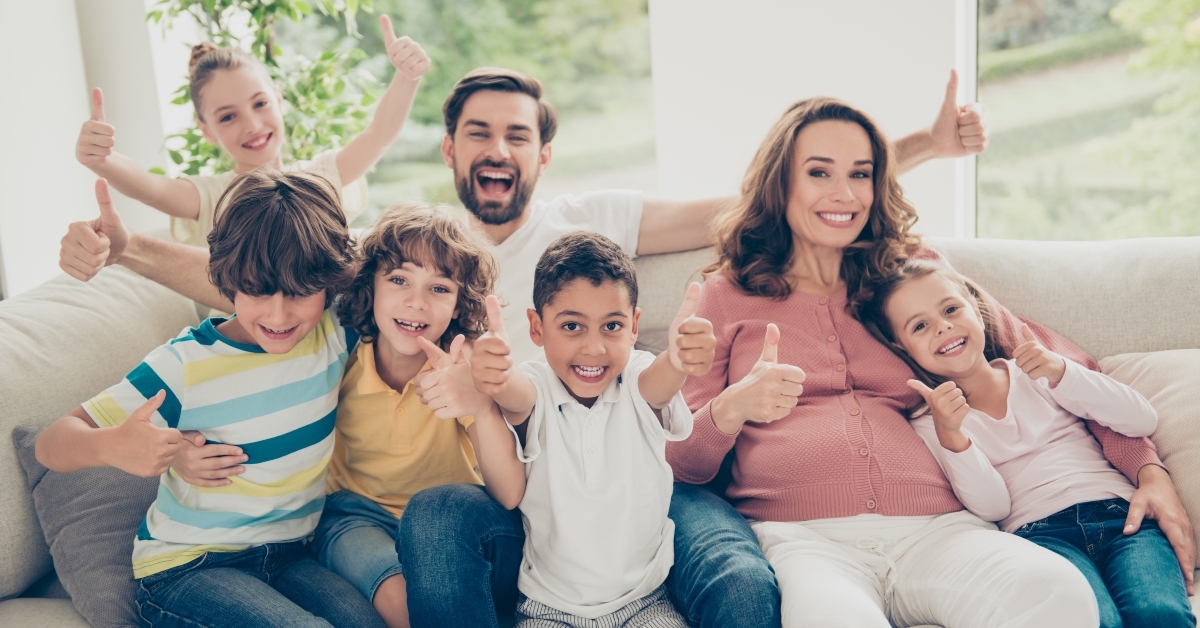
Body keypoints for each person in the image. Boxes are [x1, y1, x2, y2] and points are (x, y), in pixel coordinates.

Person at [55, 66, 996, 627]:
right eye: (476, 135)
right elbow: (268, 287)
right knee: (432, 517)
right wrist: (127, 248)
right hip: (479, 489)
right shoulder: (401, 254)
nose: (497, 149)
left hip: (606, 466)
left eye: (517, 135)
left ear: (545, 154)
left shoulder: (594, 222)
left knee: (736, 583)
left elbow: (761, 203)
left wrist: (915, 147)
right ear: (452, 156)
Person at [665, 96, 1194, 628]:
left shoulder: (913, 273)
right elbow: (684, 464)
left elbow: (1059, 367)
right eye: (818, 172)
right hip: (805, 538)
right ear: (781, 183)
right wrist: (732, 408)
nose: (844, 194)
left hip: (940, 528)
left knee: (1057, 594)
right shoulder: (723, 296)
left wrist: (1150, 470)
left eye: (861, 174)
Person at [34, 171, 384, 628]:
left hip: (289, 555)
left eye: (300, 292)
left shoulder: (332, 332)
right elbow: (51, 444)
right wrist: (115, 445)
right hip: (188, 571)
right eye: (257, 290)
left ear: (328, 284)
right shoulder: (185, 365)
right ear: (227, 279)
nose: (279, 314)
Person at [856, 259, 1194, 628]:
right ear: (900, 346)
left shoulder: (1037, 371)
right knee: (1096, 620)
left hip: (1123, 516)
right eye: (920, 326)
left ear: (976, 309)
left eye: (951, 309)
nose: (943, 327)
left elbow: (1140, 419)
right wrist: (954, 437)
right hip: (1040, 537)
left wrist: (1064, 373)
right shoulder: (931, 422)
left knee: (1161, 614)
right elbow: (992, 506)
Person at [468, 232, 715, 627]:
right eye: (571, 327)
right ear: (536, 327)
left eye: (612, 326)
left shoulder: (638, 374)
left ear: (634, 326)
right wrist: (495, 376)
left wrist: (678, 360)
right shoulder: (535, 385)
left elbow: (659, 382)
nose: (594, 348)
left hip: (644, 602)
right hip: (548, 609)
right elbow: (516, 395)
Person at [308, 204, 523, 628]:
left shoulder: (463, 367)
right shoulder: (342, 354)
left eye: (439, 288)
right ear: (370, 283)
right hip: (357, 514)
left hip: (450, 524)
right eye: (399, 279)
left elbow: (510, 493)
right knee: (401, 604)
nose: (416, 302)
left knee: (436, 537)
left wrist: (479, 402)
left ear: (461, 303)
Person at [69, 15, 429, 250]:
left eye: (260, 104)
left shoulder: (320, 177)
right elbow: (152, 187)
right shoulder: (213, 196)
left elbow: (378, 134)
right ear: (206, 131)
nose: (252, 126)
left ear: (279, 100)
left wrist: (406, 77)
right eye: (228, 117)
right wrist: (104, 160)